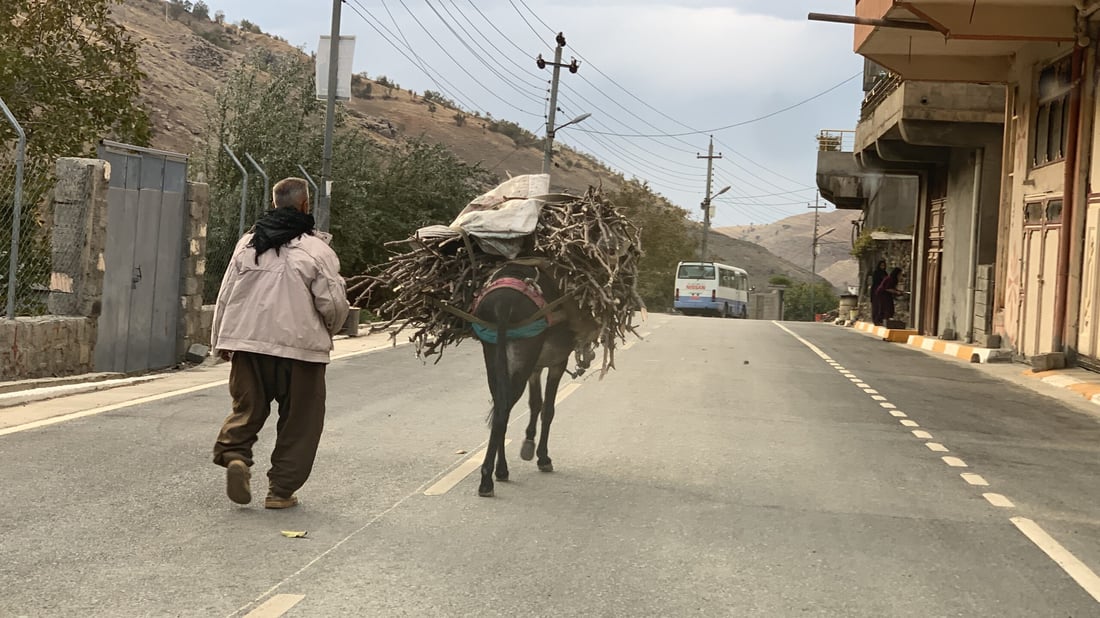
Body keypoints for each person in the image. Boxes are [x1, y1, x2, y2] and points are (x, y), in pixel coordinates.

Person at [210, 177, 349, 509]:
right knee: (301, 420)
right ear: (305, 206)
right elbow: (332, 303)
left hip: (247, 344)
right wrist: (326, 333)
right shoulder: (317, 250)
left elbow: (226, 294)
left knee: (247, 408)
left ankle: (235, 456)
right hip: (300, 349)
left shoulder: (247, 244)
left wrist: (221, 341)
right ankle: (281, 492)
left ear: (274, 204)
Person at [869, 260, 888, 325]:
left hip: (883, 292)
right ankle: (875, 320)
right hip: (876, 291)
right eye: (881, 265)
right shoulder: (876, 272)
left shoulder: (885, 273)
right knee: (876, 306)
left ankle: (880, 320)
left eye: (884, 265)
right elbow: (876, 282)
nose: (883, 267)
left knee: (882, 306)